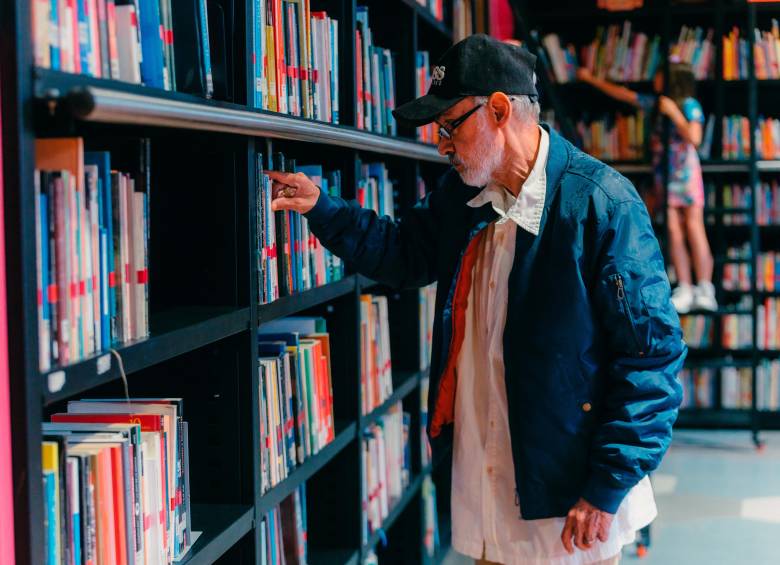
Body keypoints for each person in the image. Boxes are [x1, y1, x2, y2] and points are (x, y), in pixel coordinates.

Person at [268, 34, 685, 565]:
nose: (440, 144)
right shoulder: (462, 196)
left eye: (449, 126)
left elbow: (651, 358)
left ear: (499, 110)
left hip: (566, 499)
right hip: (486, 481)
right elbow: (402, 253)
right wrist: (322, 208)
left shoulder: (602, 204)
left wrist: (607, 486)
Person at [577, 62, 717, 314]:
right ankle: (685, 285)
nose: (655, 78)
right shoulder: (654, 104)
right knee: (673, 228)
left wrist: (674, 112)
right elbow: (624, 95)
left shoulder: (687, 105)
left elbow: (694, 138)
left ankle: (705, 287)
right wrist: (591, 80)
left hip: (685, 173)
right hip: (665, 175)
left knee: (694, 226)